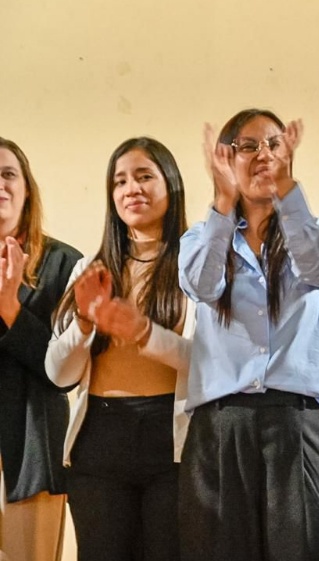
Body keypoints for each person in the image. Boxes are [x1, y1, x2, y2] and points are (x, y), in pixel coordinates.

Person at [178, 109, 319, 561]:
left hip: (300, 421)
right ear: (225, 159)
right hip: (221, 425)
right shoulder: (200, 237)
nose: (263, 155)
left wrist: (288, 192)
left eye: (274, 144)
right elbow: (202, 286)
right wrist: (222, 202)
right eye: (248, 146)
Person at [46, 137, 191, 561]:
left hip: (173, 439)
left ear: (171, 185)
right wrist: (84, 322)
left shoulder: (195, 266)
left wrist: (143, 332)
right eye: (120, 181)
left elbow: (208, 363)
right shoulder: (90, 268)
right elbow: (58, 374)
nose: (132, 189)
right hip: (100, 438)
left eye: (145, 176)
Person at [0, 137, 80, 561]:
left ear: (26, 188)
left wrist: (10, 307)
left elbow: (65, 373)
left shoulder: (65, 264)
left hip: (32, 449)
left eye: (8, 174)